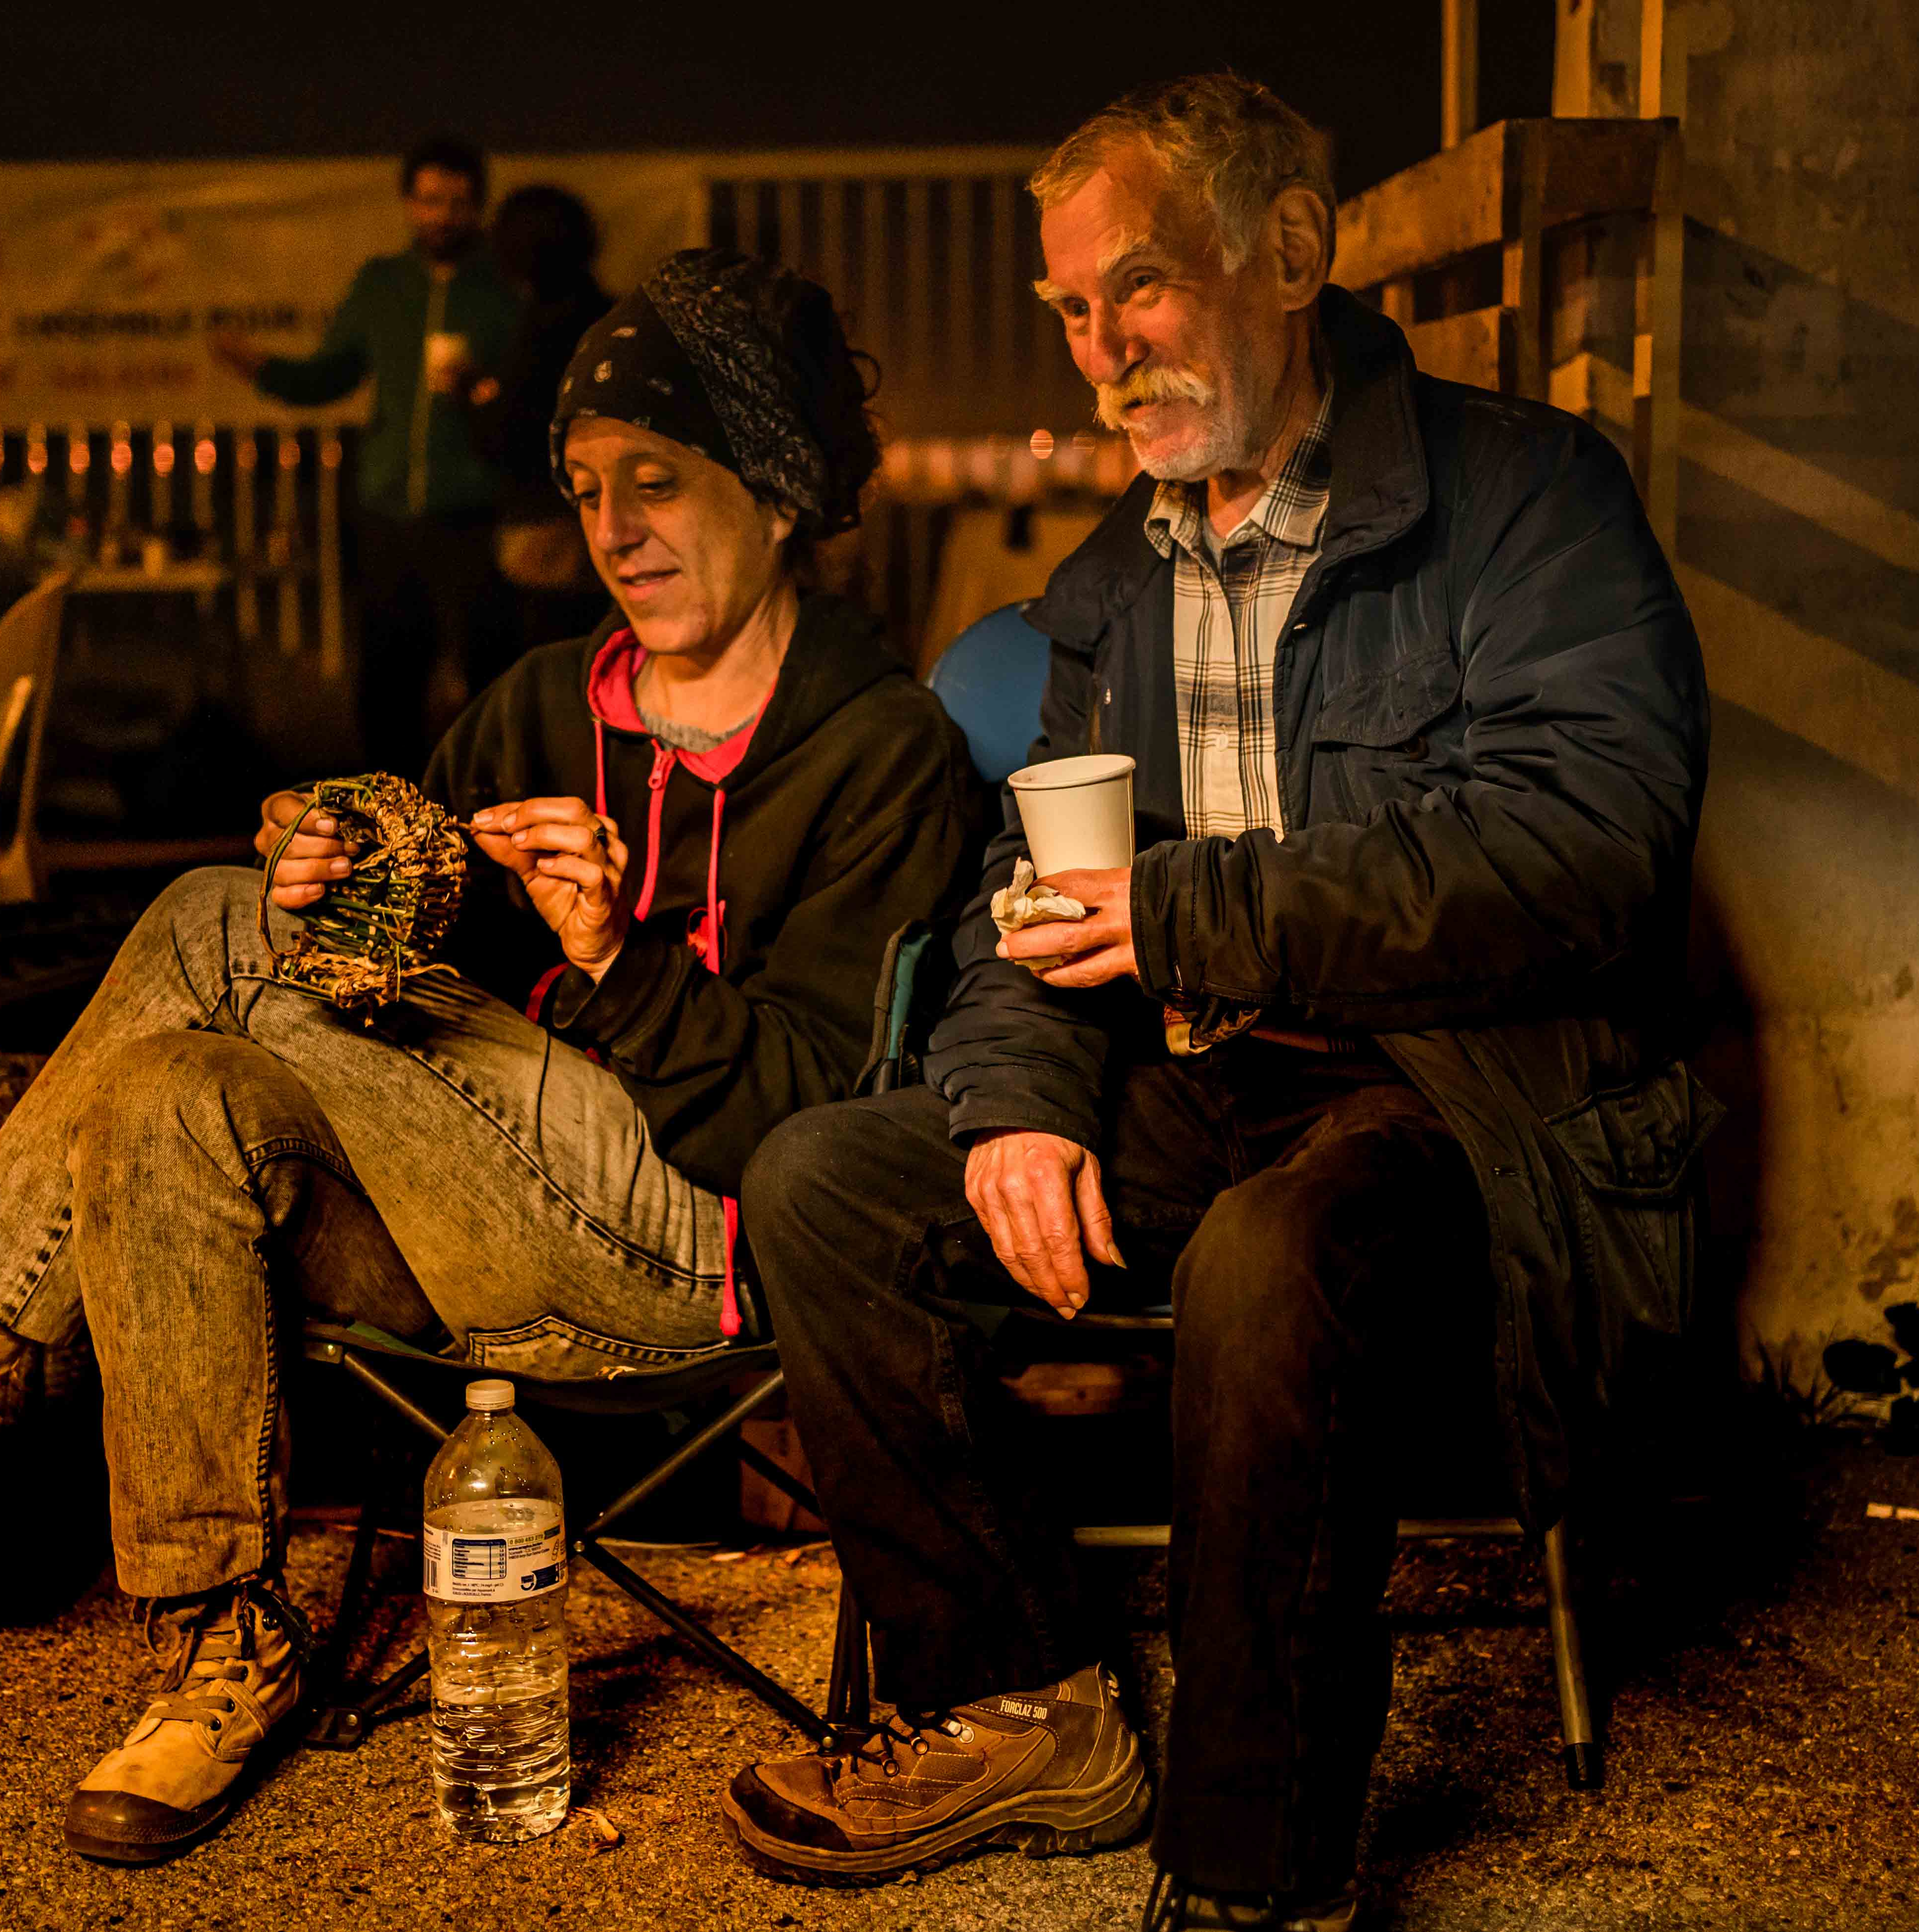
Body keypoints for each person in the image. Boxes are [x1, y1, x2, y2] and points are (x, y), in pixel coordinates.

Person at [0, 249, 978, 1870]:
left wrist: (613, 958)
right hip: (459, 1219)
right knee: (165, 1087)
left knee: (200, 920)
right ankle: (215, 1634)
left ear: (774, 482)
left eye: (656, 483)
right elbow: (422, 937)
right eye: (584, 486)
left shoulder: (880, 747)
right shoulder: (545, 698)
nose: (611, 532)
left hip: (695, 1254)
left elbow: (807, 1120)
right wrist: (342, 868)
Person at [723, 73, 1714, 1931]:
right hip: (1211, 1064)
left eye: (1141, 292)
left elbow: (1589, 848)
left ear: (1288, 253)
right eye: (1073, 314)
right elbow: (1032, 901)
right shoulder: (1116, 577)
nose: (1103, 353)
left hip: (1466, 1099)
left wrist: (1188, 916)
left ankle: (1258, 1870)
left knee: (1271, 1253)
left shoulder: (1521, 500)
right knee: (825, 1186)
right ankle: (1019, 1700)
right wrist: (1015, 1090)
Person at [215, 136, 521, 778]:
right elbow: (329, 376)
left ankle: (490, 808)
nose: (441, 215)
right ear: (407, 203)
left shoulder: (505, 287)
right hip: (387, 509)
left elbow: (525, 395)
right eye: (429, 200)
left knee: (490, 671)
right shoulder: (382, 284)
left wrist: (483, 391)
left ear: (479, 208)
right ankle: (388, 814)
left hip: (474, 510)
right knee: (387, 675)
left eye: (457, 203)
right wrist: (261, 367)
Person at [471, 184, 613, 669]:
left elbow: (509, 435)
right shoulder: (612, 316)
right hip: (611, 515)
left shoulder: (541, 327)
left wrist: (475, 398)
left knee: (551, 666)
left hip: (546, 522)